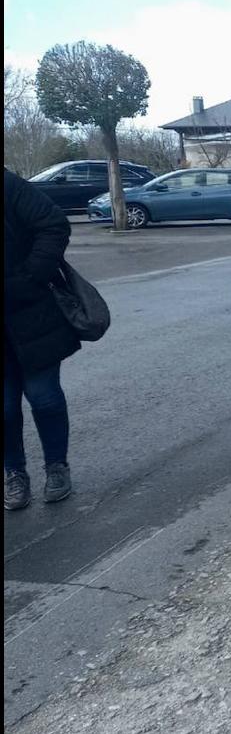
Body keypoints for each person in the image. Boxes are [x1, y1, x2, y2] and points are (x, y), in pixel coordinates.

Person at [4, 169, 79, 510]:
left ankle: (56, 467)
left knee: (44, 397)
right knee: (4, 408)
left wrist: (31, 276)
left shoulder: (8, 185)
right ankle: (14, 474)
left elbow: (53, 225)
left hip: (31, 312)